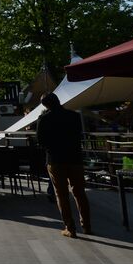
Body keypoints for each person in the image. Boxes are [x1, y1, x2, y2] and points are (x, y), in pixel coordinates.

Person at [35, 93, 92, 237]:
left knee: (62, 195)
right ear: (58, 100)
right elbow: (78, 134)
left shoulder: (44, 119)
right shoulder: (73, 116)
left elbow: (40, 140)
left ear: (45, 105)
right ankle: (86, 226)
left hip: (55, 159)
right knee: (80, 193)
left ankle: (70, 228)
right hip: (75, 158)